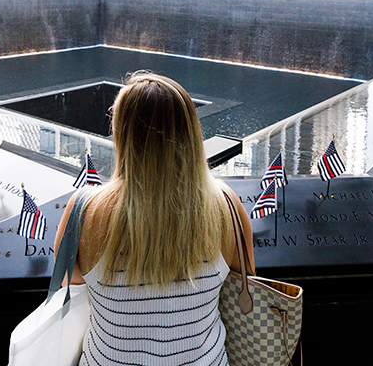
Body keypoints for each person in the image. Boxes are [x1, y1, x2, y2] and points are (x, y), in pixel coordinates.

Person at [54, 72, 254, 366]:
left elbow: (71, 293)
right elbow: (245, 284)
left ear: (121, 134)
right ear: (190, 132)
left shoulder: (84, 211)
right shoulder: (227, 207)